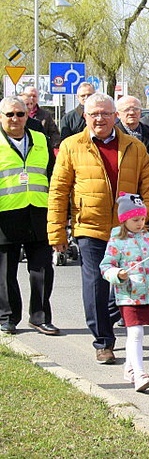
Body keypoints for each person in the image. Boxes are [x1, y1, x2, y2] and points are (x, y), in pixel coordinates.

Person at [47, 92, 149, 364]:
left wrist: (143, 217)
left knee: (124, 282)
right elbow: (58, 190)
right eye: (94, 113)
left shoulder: (134, 146)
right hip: (90, 228)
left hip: (126, 231)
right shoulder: (72, 146)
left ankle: (126, 332)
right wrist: (57, 231)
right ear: (84, 116)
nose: (100, 118)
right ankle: (103, 342)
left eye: (106, 113)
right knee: (96, 284)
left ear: (115, 116)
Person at [99, 192, 149, 392]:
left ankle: (129, 369)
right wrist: (118, 274)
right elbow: (105, 266)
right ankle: (140, 373)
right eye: (135, 219)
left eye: (142, 218)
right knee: (135, 332)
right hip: (127, 295)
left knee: (137, 333)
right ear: (124, 219)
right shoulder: (116, 240)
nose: (140, 223)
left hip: (146, 296)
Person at [0, 97, 58, 336]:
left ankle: (40, 317)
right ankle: (8, 317)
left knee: (42, 269)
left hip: (38, 212)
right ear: (1, 117)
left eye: (20, 114)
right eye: (10, 114)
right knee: (5, 272)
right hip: (5, 215)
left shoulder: (41, 141)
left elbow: (54, 175)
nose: (15, 119)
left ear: (27, 116)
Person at [115, 95, 149, 161]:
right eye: (127, 109)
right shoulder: (112, 135)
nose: (132, 113)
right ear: (118, 114)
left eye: (136, 109)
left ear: (141, 112)